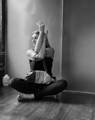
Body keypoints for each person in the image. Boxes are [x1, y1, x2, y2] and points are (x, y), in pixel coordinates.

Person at [2, 71, 68, 102]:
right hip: (32, 85)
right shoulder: (30, 52)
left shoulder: (49, 51)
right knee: (14, 81)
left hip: (47, 85)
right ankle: (35, 95)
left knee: (63, 83)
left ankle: (32, 96)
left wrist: (50, 79)